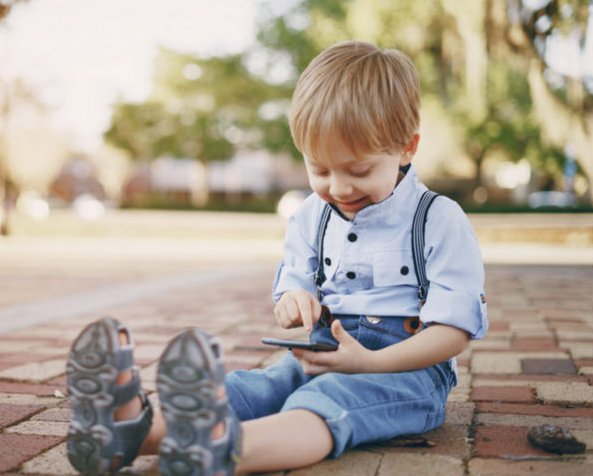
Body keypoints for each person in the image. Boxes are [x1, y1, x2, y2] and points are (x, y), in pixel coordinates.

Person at [65, 40, 488, 476]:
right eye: (320, 170)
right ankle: (133, 428)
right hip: (326, 353)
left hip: (408, 372)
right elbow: (295, 281)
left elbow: (453, 332)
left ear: (406, 147)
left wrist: (371, 363)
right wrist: (295, 299)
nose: (339, 188)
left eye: (358, 170)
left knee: (327, 403)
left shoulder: (438, 219)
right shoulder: (312, 216)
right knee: (257, 388)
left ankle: (222, 450)